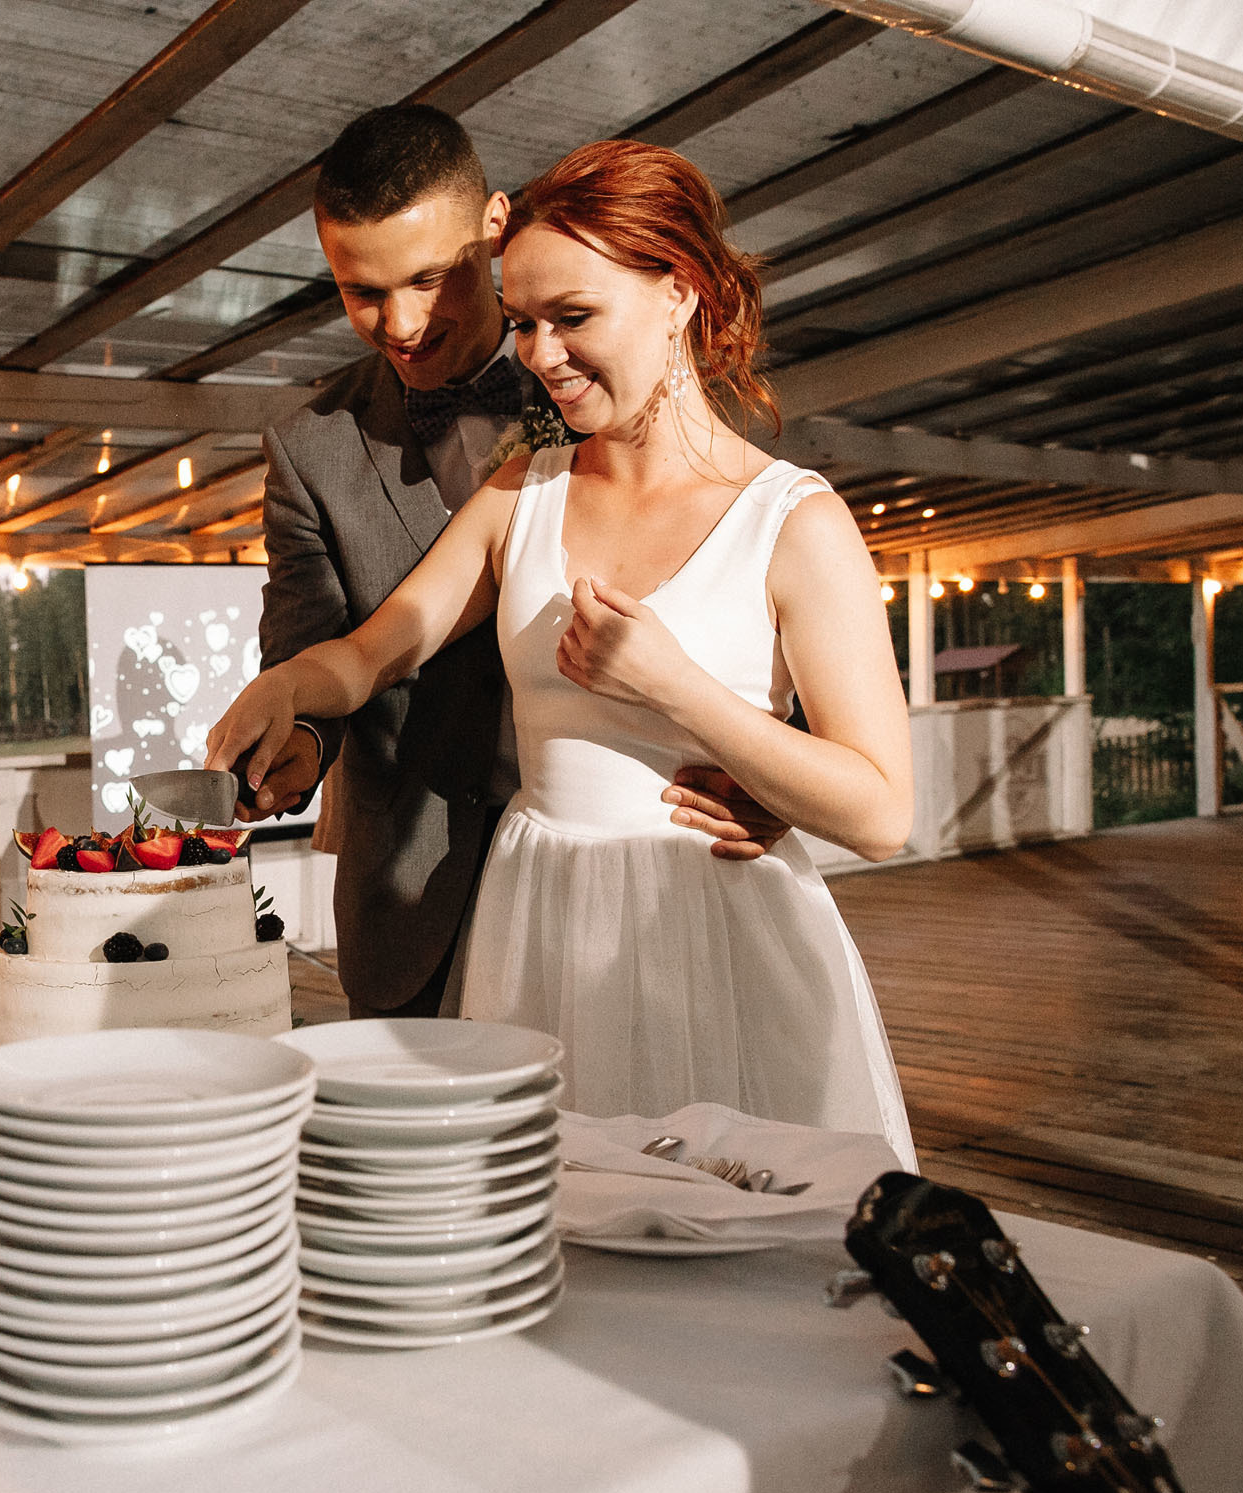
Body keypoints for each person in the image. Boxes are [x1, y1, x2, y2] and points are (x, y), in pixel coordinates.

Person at [212, 139, 916, 1164]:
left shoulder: (795, 519)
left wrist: (678, 690)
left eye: (572, 318)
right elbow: (372, 652)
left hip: (715, 937)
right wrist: (287, 686)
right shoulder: (524, 484)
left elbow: (883, 811)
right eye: (527, 320)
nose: (540, 355)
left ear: (679, 293)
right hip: (535, 920)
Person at [245, 106, 785, 1020]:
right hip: (413, 895)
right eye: (361, 291)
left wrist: (773, 781)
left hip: (646, 886)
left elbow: (748, 583)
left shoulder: (606, 374)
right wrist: (294, 740)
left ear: (493, 227)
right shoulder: (312, 447)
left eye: (427, 278)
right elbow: (329, 649)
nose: (401, 322)